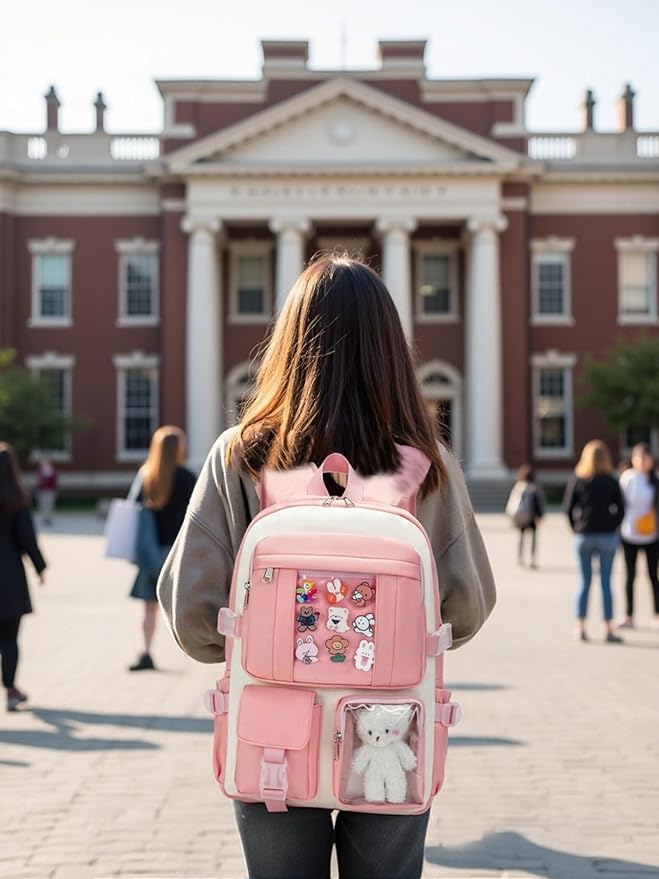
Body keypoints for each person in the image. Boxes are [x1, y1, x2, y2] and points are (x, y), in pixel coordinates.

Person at [158, 255, 496, 879]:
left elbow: (191, 615)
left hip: (272, 727)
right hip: (391, 724)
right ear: (391, 348)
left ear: (288, 342)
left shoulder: (242, 455)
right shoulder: (424, 464)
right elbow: (467, 609)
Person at [128, 426, 195, 672]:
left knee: (148, 607)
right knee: (183, 605)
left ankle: (145, 652)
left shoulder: (147, 478)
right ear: (178, 448)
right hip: (177, 553)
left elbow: (133, 513)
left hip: (150, 551)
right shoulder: (187, 478)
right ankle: (192, 651)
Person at [0, 443, 47, 711]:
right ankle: (10, 690)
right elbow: (27, 539)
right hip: (9, 578)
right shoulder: (16, 499)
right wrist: (40, 567)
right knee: (9, 639)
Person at [564, 440, 625, 643]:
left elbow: (567, 508)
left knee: (584, 582)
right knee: (607, 583)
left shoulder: (579, 479)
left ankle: (580, 627)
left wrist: (576, 527)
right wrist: (614, 526)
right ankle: (608, 628)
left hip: (584, 535)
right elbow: (621, 509)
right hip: (607, 535)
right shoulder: (611, 480)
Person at [618, 443, 659, 629]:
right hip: (630, 534)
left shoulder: (655, 480)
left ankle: (656, 614)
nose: (643, 462)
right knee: (630, 575)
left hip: (652, 534)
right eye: (639, 458)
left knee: (653, 575)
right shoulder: (627, 478)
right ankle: (628, 615)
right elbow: (619, 505)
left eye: (646, 458)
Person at [506, 464, 545, 568]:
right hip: (531, 517)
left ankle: (520, 558)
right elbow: (538, 504)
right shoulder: (533, 488)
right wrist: (540, 515)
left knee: (521, 537)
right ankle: (532, 559)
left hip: (521, 516)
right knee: (533, 539)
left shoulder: (518, 486)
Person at [36, 457, 58, 526]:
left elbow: (55, 482)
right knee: (43, 505)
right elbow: (38, 481)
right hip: (42, 491)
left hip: (50, 491)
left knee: (49, 505)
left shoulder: (52, 471)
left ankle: (48, 518)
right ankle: (44, 518)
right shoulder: (41, 471)